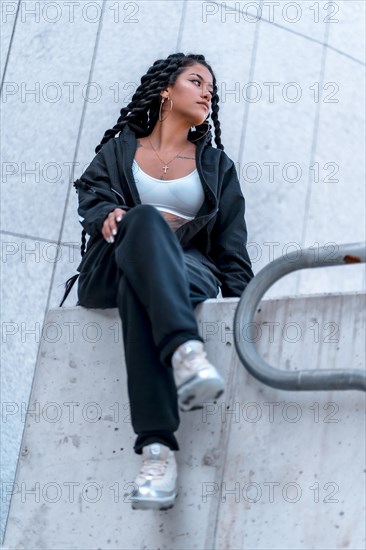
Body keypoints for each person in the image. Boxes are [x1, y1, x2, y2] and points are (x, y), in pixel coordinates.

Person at [60, 52, 254, 511]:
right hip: (111, 264)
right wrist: (108, 214)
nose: (208, 92)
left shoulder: (216, 167)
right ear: (166, 89)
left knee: (138, 288)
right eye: (196, 81)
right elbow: (92, 196)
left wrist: (242, 308)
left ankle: (157, 452)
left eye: (211, 87)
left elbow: (231, 246)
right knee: (142, 220)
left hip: (187, 270)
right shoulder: (119, 151)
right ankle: (186, 351)